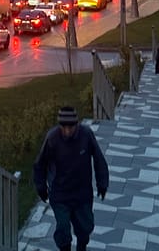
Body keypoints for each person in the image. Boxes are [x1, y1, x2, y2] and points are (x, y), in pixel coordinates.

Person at [33, 105, 109, 251]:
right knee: (63, 228)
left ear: (77, 124)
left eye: (71, 127)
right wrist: (40, 186)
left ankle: (82, 247)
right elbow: (40, 164)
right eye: (64, 127)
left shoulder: (86, 135)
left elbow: (99, 159)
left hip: (82, 193)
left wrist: (102, 183)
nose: (67, 131)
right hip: (60, 193)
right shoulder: (52, 138)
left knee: (85, 227)